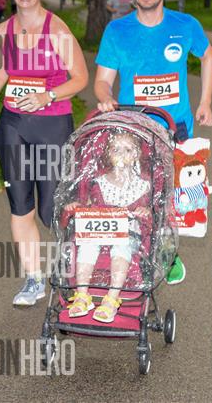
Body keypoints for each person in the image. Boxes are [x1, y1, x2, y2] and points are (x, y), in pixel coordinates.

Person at [94, 0, 212, 285]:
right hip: (132, 130)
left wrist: (205, 101)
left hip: (175, 128)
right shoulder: (117, 30)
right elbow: (102, 80)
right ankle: (131, 255)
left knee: (170, 195)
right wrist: (105, 96)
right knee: (134, 194)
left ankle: (168, 252)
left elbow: (207, 55)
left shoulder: (185, 25)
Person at [0, 0, 89, 306]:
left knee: (51, 209)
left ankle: (77, 272)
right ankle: (33, 280)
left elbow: (81, 78)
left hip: (51, 126)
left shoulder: (57, 31)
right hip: (12, 126)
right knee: (20, 205)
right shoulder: (2, 32)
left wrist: (47, 95)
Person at [64, 132, 151, 323]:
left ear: (137, 154)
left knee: (122, 246)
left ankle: (112, 298)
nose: (121, 155)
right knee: (87, 244)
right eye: (116, 149)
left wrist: (145, 210)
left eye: (127, 150)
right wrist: (78, 206)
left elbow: (150, 211)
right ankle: (82, 295)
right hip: (100, 229)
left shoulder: (142, 185)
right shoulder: (99, 182)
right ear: (108, 153)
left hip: (127, 232)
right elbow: (89, 204)